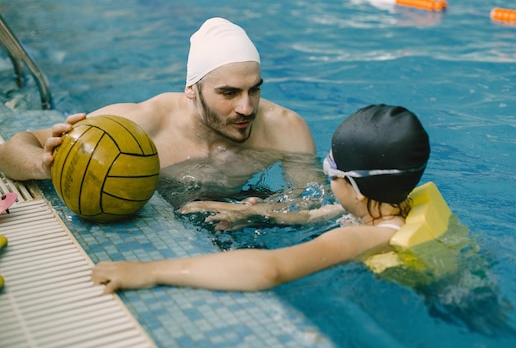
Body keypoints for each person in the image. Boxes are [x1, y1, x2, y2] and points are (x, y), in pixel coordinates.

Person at [91, 104, 431, 293]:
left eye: (330, 169)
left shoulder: (362, 236)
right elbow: (318, 214)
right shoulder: (400, 204)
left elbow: (269, 270)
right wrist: (254, 213)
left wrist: (150, 271)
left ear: (350, 183)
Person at [0, 18, 318, 196]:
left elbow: (314, 203)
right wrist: (46, 166)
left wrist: (256, 212)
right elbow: (13, 148)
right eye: (229, 93)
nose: (247, 108)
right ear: (192, 90)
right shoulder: (137, 124)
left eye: (254, 90)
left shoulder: (285, 127)